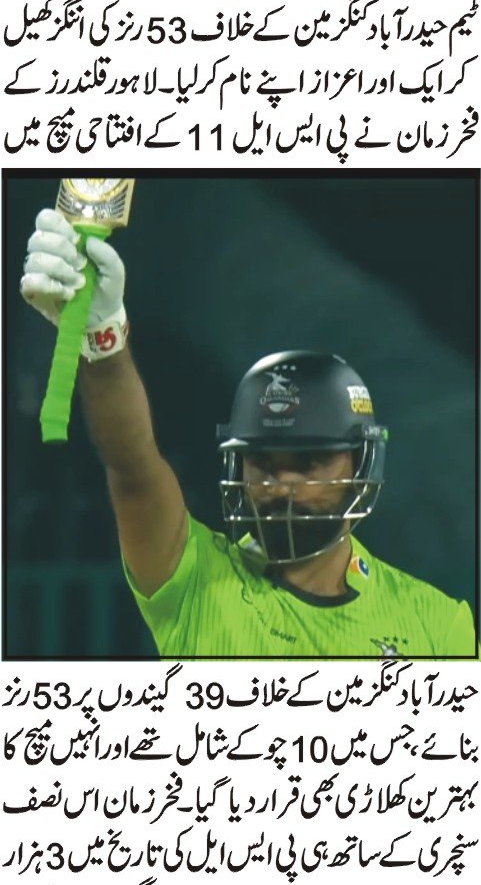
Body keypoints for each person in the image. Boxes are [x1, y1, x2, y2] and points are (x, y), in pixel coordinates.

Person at [21, 206, 476, 659]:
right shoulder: (196, 583)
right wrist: (103, 338)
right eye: (262, 463)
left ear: (359, 464)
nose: (282, 485)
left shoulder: (436, 624)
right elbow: (132, 465)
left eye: (309, 462)